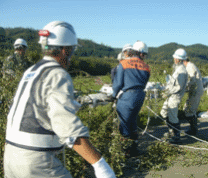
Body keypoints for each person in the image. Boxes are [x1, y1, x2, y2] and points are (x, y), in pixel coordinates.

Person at [4, 21, 116, 178]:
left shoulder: (31, 71)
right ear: (66, 50)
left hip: (11, 156)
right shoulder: (57, 73)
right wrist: (100, 164)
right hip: (36, 160)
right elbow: (66, 126)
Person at [110, 41, 150, 157]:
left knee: (124, 123)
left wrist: (113, 95)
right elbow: (145, 82)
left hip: (128, 96)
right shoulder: (146, 67)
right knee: (132, 121)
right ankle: (134, 148)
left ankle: (126, 151)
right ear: (142, 54)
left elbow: (117, 84)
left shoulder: (124, 63)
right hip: (140, 96)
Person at [160, 48, 188, 143]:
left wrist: (167, 91)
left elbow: (178, 87)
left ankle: (176, 136)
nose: (174, 59)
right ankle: (171, 130)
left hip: (175, 97)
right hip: (170, 96)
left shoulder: (182, 71)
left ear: (178, 59)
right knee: (163, 113)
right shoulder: (177, 68)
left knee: (173, 117)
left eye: (175, 58)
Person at [183, 51, 204, 135]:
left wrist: (184, 86)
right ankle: (193, 128)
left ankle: (193, 130)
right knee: (189, 109)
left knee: (189, 110)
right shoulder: (190, 66)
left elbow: (192, 79)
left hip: (195, 91)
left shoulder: (190, 66)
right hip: (195, 90)